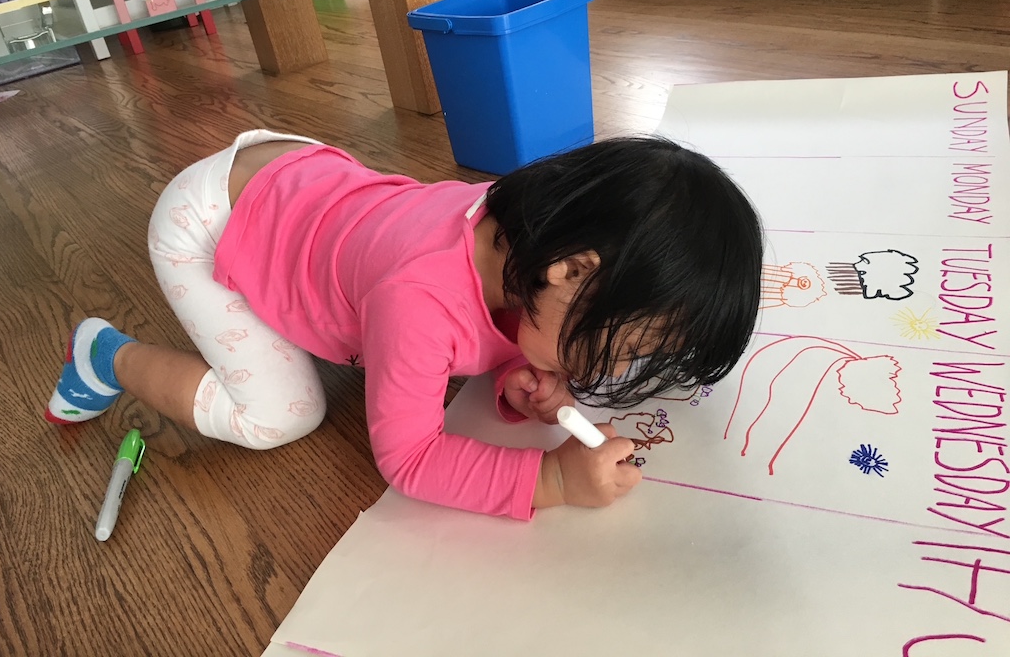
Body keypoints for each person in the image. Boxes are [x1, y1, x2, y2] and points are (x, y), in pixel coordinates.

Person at [47, 130, 764, 520]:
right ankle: (105, 354)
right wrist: (551, 480)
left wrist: (516, 372)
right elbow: (411, 459)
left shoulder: (523, 226)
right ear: (571, 270)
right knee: (279, 417)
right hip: (210, 220)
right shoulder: (418, 301)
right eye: (625, 346)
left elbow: (501, 324)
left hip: (299, 173)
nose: (611, 372)